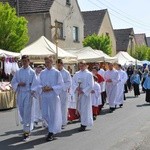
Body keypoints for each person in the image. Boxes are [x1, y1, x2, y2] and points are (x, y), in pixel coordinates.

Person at [11, 55, 36, 141]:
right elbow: (13, 82)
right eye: (23, 61)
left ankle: (26, 132)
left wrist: (32, 89)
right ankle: (27, 126)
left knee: (27, 113)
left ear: (28, 61)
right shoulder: (18, 71)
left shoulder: (32, 72)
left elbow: (35, 84)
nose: (24, 62)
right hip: (20, 93)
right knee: (21, 112)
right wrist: (18, 84)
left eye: (26, 61)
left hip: (28, 94)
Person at [39, 56, 64, 141]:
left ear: (52, 62)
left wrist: (52, 88)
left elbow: (61, 84)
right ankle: (52, 127)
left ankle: (51, 132)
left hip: (53, 95)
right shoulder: (42, 72)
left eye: (49, 62)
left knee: (53, 113)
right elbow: (38, 83)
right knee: (44, 114)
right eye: (46, 62)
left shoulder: (56, 72)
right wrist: (42, 88)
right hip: (44, 95)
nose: (47, 64)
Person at [72, 61, 94, 131]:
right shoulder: (76, 74)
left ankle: (83, 124)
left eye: (82, 66)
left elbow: (91, 85)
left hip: (85, 95)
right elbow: (73, 82)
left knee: (85, 109)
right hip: (78, 93)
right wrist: (76, 88)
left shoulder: (89, 74)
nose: (81, 67)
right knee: (80, 108)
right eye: (80, 66)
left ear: (85, 65)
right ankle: (83, 121)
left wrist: (83, 90)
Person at [56, 59, 72, 128]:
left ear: (62, 64)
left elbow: (69, 82)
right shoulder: (55, 72)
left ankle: (63, 122)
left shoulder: (66, 73)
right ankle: (57, 121)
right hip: (56, 91)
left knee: (63, 107)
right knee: (56, 107)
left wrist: (63, 87)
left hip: (63, 91)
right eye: (57, 65)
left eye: (60, 65)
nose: (58, 66)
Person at [31, 65, 44, 130]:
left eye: (40, 69)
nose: (38, 70)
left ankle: (44, 120)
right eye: (37, 69)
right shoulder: (36, 76)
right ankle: (36, 120)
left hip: (43, 93)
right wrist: (33, 90)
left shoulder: (43, 76)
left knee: (43, 107)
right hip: (37, 94)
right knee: (36, 107)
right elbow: (35, 85)